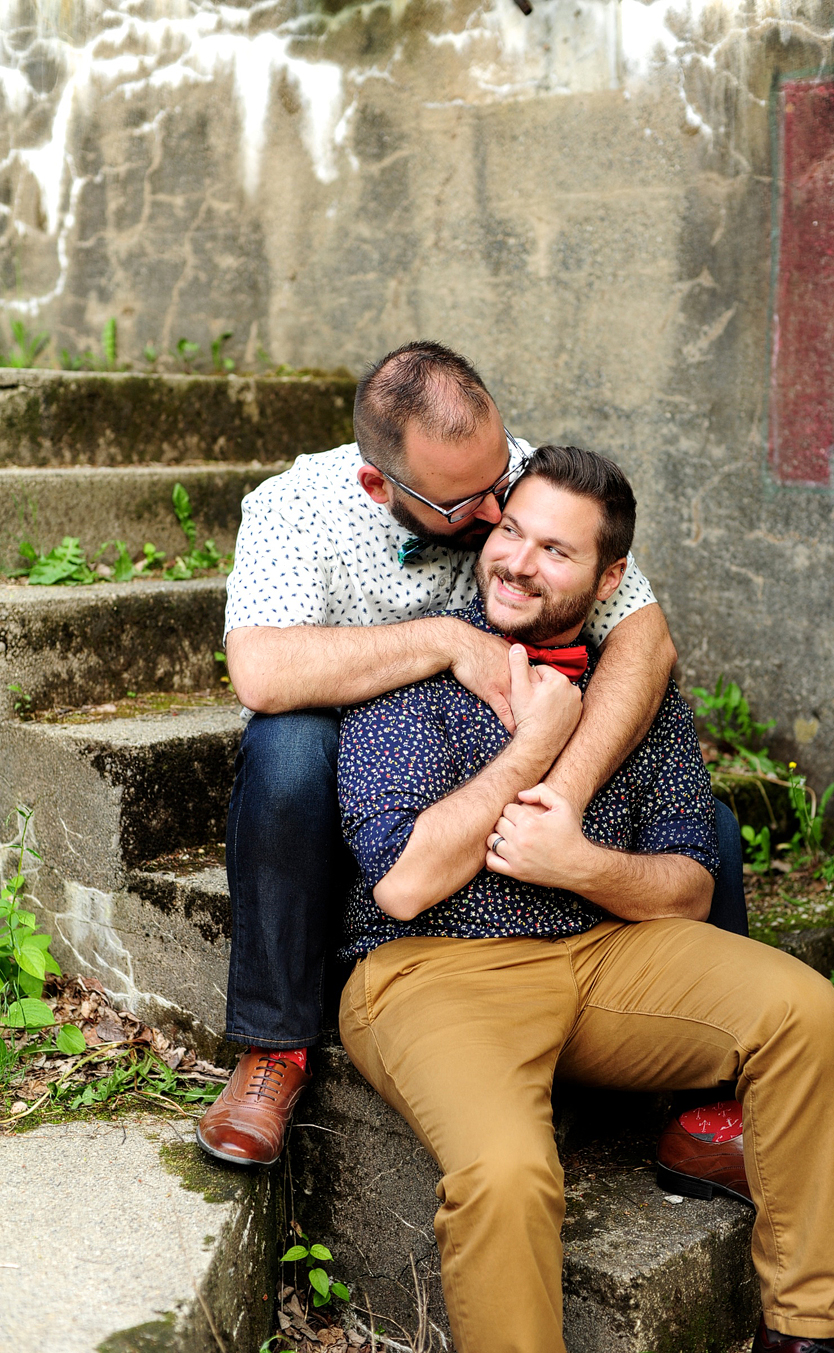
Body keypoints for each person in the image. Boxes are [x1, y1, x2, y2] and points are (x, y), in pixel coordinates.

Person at [335, 445, 834, 1353]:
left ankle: (806, 1331)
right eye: (512, 532)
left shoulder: (635, 689)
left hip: (603, 955)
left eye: (556, 550)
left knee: (802, 1007)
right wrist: (535, 746)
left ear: (608, 574)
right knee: (504, 1172)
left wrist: (579, 863)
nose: (517, 561)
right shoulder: (421, 664)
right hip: (434, 972)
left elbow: (691, 883)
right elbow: (406, 881)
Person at [196, 341, 747, 1167]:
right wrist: (447, 640)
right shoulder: (294, 508)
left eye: (502, 483)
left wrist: (560, 789)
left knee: (712, 829)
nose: (499, 516)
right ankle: (275, 1044)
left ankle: (715, 1118)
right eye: (472, 503)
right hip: (366, 764)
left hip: (484, 765)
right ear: (380, 484)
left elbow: (643, 640)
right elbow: (262, 671)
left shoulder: (515, 477)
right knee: (285, 752)